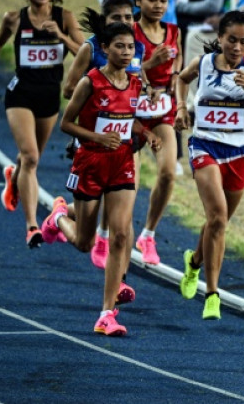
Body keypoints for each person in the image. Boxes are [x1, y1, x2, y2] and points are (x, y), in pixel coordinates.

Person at [40, 22, 161, 336]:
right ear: (105, 49)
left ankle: (107, 314)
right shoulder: (90, 82)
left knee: (120, 236)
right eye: (119, 46)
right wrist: (97, 137)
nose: (125, 52)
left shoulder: (135, 83)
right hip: (90, 162)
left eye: (130, 47)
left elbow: (127, 121)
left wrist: (147, 134)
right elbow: (66, 124)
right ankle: (58, 217)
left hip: (122, 162)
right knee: (85, 243)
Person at [174, 11, 244, 320]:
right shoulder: (204, 63)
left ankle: (194, 262)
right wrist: (181, 106)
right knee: (218, 217)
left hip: (239, 154)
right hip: (204, 146)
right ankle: (212, 294)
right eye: (231, 40)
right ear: (220, 38)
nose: (237, 47)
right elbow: (181, 79)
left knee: (217, 222)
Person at [0, 0, 84, 248]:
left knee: (30, 158)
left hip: (49, 96)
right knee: (30, 157)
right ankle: (32, 226)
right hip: (20, 94)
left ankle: (13, 177)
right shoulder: (14, 18)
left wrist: (61, 36)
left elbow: (85, 53)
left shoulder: (65, 18)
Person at [122, 0, 183, 267]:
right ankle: (111, 233)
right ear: (138, 1)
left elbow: (178, 62)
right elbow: (123, 69)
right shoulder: (129, 32)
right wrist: (150, 64)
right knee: (127, 187)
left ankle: (148, 234)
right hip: (130, 112)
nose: (158, 5)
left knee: (168, 173)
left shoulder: (173, 31)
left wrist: (175, 78)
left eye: (163, 0)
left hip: (162, 110)